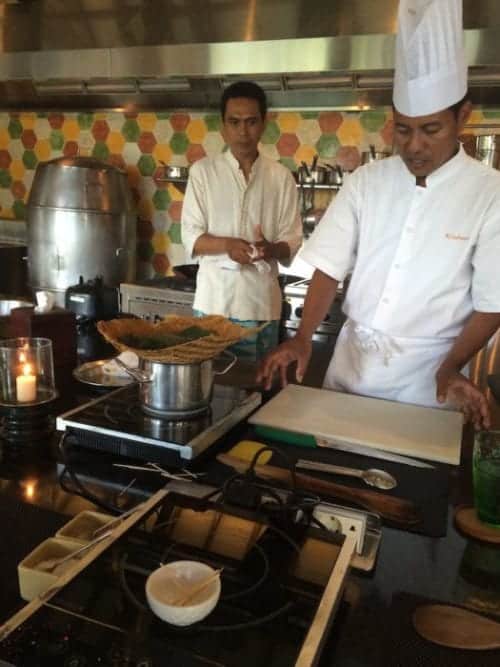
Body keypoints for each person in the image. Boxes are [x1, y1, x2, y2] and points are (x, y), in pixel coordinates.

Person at [258, 0, 500, 429]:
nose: (414, 146)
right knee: (327, 476)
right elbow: (329, 266)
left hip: (428, 382)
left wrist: (453, 365)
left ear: (462, 117)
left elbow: (493, 302)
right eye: (403, 129)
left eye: (431, 130)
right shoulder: (368, 180)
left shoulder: (490, 193)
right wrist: (301, 338)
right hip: (350, 370)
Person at [181, 80, 302, 361]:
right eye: (234, 122)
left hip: (260, 308)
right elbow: (191, 237)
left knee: (255, 393)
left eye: (251, 122)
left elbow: (292, 242)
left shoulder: (281, 177)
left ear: (263, 124)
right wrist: (228, 245)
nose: (242, 131)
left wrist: (269, 249)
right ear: (223, 126)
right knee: (207, 386)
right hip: (212, 306)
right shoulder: (203, 173)